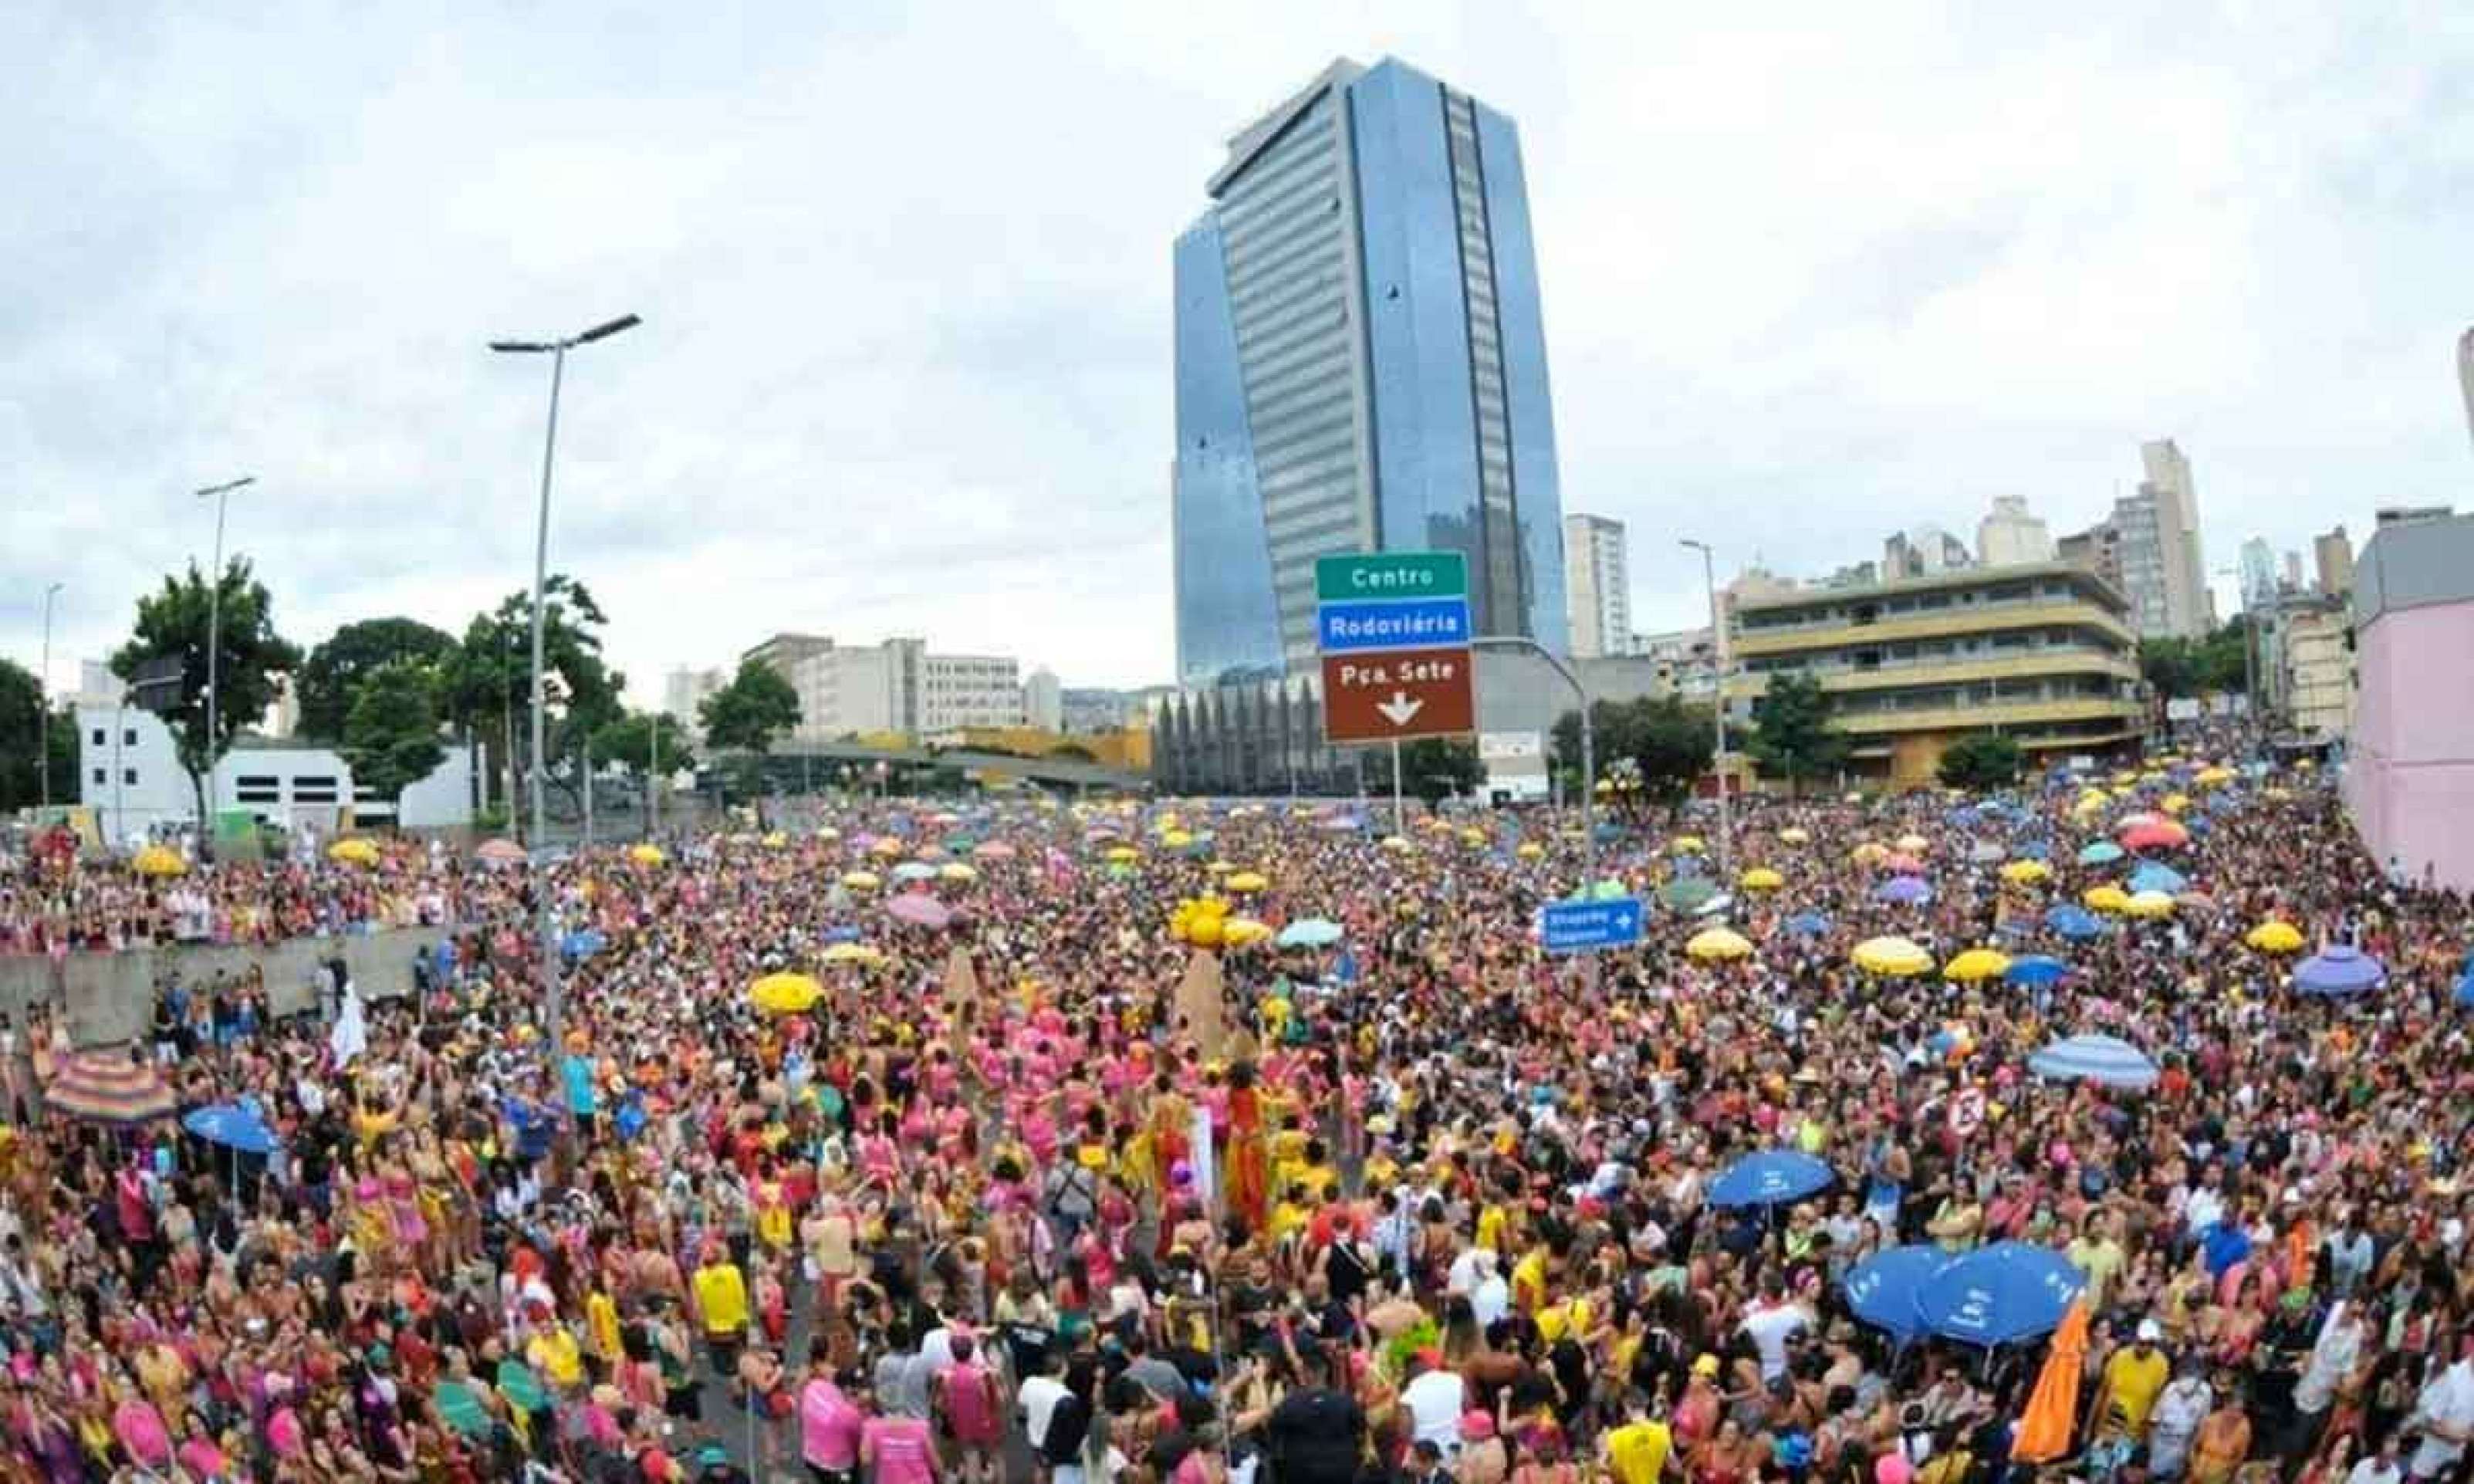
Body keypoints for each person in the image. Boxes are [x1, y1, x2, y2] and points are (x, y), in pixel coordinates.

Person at [1265, 1350, 1366, 1484]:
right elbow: (1361, 1430)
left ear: (1308, 1373)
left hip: (1300, 1474)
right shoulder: (1347, 1402)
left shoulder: (1289, 1405)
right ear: (1325, 1372)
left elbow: (1272, 1432)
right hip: (1341, 1472)